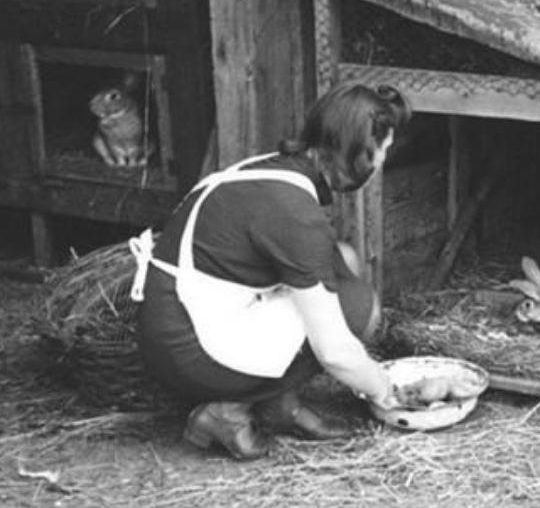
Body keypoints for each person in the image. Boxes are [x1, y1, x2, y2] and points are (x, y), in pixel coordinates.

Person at [128, 82, 411, 460]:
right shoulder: (293, 211)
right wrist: (385, 391)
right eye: (381, 151)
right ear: (358, 152)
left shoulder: (276, 167)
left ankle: (279, 405)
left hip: (177, 310)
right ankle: (227, 412)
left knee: (343, 260)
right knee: (358, 308)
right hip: (185, 344)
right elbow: (334, 352)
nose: (380, 164)